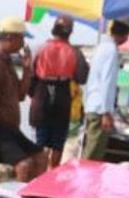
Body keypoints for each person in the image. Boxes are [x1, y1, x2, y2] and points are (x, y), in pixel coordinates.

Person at [0, 16, 47, 185]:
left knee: (41, 157)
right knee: (24, 165)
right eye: (21, 38)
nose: (23, 44)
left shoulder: (6, 61)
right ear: (9, 38)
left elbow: (21, 95)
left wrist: (27, 68)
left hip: (10, 129)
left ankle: (30, 196)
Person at [30, 16, 88, 168]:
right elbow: (82, 77)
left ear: (53, 29)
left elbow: (30, 74)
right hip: (62, 95)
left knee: (40, 139)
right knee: (58, 141)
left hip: (42, 95)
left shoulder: (39, 48)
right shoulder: (75, 52)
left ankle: (38, 172)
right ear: (70, 33)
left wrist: (33, 94)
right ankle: (51, 171)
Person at [82, 16, 129, 160]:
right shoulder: (110, 50)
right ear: (125, 34)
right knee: (93, 153)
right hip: (99, 108)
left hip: (93, 104)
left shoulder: (102, 47)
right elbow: (107, 83)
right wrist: (106, 112)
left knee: (91, 149)